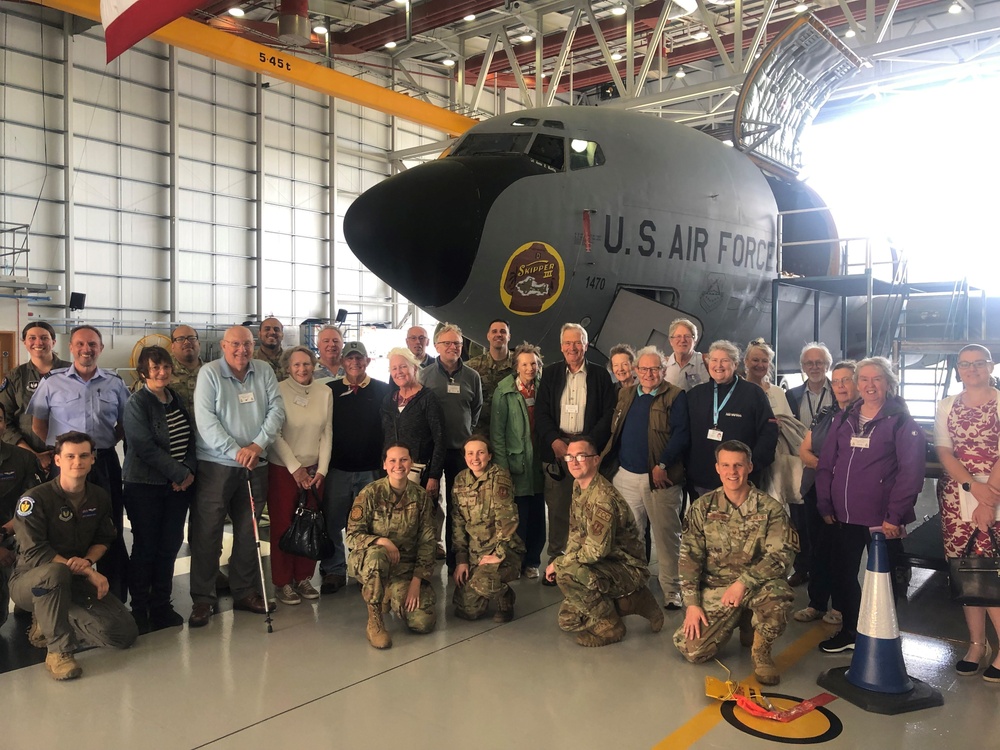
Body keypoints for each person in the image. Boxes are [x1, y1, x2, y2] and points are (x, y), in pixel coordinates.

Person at [815, 356, 926, 653]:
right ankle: (850, 629)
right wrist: (825, 503)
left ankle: (884, 634)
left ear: (888, 382)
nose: (869, 385)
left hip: (882, 519)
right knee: (843, 574)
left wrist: (895, 515)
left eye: (876, 378)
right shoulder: (844, 418)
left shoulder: (901, 422)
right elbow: (827, 462)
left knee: (886, 577)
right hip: (843, 515)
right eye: (863, 379)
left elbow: (911, 473)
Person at [10, 432, 138, 680]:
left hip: (74, 577)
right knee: (55, 573)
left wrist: (88, 561)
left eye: (83, 456)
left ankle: (48, 620)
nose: (76, 462)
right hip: (31, 581)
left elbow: (104, 539)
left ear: (93, 459)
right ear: (57, 460)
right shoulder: (34, 499)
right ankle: (58, 652)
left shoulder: (99, 497)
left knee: (123, 634)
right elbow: (37, 552)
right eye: (69, 456)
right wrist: (89, 571)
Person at [673, 440, 797, 685]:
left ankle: (760, 652)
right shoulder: (702, 508)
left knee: (779, 597)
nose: (732, 472)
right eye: (726, 465)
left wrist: (743, 583)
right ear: (717, 468)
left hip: (757, 586)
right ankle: (741, 618)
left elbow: (781, 558)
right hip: (717, 588)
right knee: (693, 650)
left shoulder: (771, 509)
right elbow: (689, 558)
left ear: (749, 467)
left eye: (738, 465)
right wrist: (691, 605)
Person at [188, 325, 285, 627]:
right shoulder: (210, 374)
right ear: (223, 345)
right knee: (208, 532)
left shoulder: (264, 370)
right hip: (217, 465)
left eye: (247, 344)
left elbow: (277, 410)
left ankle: (245, 591)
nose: (241, 350)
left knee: (249, 531)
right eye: (235, 344)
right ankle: (203, 598)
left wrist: (257, 446)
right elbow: (205, 420)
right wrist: (235, 451)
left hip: (257, 462)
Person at [27, 324, 131, 601]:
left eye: (92, 344)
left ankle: (115, 596)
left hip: (104, 461)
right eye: (81, 344)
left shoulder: (115, 383)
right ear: (71, 348)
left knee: (110, 527)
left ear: (101, 348)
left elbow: (124, 423)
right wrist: (60, 452)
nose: (87, 349)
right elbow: (38, 424)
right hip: (65, 465)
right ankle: (60, 596)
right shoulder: (52, 382)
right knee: (60, 527)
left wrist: (105, 445)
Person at [545, 438, 663, 647]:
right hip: (605, 563)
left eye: (581, 456)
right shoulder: (579, 486)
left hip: (626, 567)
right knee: (569, 620)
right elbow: (576, 533)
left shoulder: (602, 498)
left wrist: (561, 563)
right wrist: (564, 557)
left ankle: (611, 625)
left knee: (567, 573)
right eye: (569, 457)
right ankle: (632, 602)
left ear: (596, 460)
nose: (574, 462)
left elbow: (596, 551)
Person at [601, 346, 689, 609]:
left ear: (663, 370)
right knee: (632, 536)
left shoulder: (675, 396)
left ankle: (672, 590)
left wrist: (663, 463)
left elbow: (682, 434)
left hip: (660, 478)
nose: (649, 373)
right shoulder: (625, 394)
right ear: (636, 370)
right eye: (644, 369)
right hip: (626, 476)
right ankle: (634, 583)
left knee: (666, 536)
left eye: (655, 369)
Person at [934, 344, 1000, 680]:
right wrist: (972, 487)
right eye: (964, 364)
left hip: (997, 492)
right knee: (967, 570)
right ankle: (977, 644)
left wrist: (989, 498)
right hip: (958, 495)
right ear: (957, 369)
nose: (971, 369)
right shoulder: (947, 405)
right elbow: (945, 451)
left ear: (990, 366)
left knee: (993, 570)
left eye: (978, 363)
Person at [122, 346, 197, 633]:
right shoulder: (137, 403)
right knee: (145, 548)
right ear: (144, 373)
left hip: (177, 488)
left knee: (169, 547)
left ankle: (161, 604)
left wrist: (188, 471)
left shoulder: (174, 398)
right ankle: (139, 607)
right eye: (155, 368)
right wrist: (177, 472)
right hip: (145, 487)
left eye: (165, 366)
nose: (162, 372)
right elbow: (143, 446)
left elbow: (190, 437)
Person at [535, 323, 616, 582]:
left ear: (586, 345)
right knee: (558, 509)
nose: (573, 347)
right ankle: (556, 562)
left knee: (590, 509)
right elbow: (543, 413)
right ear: (561, 347)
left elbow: (608, 414)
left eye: (578, 342)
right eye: (568, 343)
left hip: (588, 453)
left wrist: (588, 445)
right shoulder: (550, 374)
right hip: (559, 453)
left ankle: (588, 562)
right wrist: (554, 442)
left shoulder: (601, 376)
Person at [346, 443, 437, 649]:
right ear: (385, 465)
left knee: (423, 623)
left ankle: (390, 592)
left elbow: (427, 541)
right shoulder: (369, 494)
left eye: (404, 459)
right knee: (378, 554)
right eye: (393, 460)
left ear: (411, 463)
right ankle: (375, 620)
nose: (399, 465)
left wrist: (417, 581)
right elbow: (352, 536)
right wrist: (381, 541)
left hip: (405, 567)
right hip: (371, 562)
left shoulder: (420, 497)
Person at [320, 341, 391, 594]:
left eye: (359, 358)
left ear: (367, 361)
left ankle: (363, 567)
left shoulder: (383, 389)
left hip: (370, 469)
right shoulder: (329, 391)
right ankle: (334, 570)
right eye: (349, 359)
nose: (354, 363)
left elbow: (388, 427)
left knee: (368, 524)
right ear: (342, 362)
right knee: (332, 522)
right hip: (338, 469)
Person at [794, 360, 857, 626]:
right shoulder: (825, 414)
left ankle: (842, 605)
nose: (841, 386)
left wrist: (830, 469)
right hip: (816, 491)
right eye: (837, 381)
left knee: (842, 553)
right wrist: (827, 467)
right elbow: (804, 450)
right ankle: (817, 602)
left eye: (847, 380)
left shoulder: (863, 416)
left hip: (846, 495)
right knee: (818, 549)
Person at [268, 346, 332, 606]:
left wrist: (322, 470)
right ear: (287, 367)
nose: (302, 369)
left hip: (315, 471)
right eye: (296, 365)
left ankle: (304, 576)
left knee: (310, 524)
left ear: (314, 364)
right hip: (284, 469)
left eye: (306, 364)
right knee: (283, 525)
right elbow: (274, 433)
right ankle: (283, 582)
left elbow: (327, 433)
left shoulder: (325, 392)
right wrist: (295, 467)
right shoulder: (278, 391)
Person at [417, 323, 483, 569]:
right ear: (436, 346)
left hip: (460, 452)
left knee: (459, 507)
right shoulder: (424, 375)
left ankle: (458, 562)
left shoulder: (472, 376)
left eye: (456, 343)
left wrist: (465, 432)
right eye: (447, 343)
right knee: (429, 506)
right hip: (432, 451)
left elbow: (475, 409)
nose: (452, 347)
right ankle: (426, 560)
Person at [686, 340, 778, 495]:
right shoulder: (695, 395)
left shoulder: (753, 394)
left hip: (742, 481)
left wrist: (752, 465)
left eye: (724, 360)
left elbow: (768, 434)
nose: (718, 365)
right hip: (702, 480)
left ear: (735, 364)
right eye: (714, 360)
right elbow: (683, 434)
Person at [451, 436, 524, 622]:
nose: (475, 458)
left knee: (484, 583)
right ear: (465, 456)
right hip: (475, 553)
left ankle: (505, 598)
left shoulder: (499, 478)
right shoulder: (460, 480)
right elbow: (458, 523)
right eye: (470, 453)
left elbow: (507, 520)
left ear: (489, 455)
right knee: (467, 611)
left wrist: (499, 555)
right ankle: (486, 584)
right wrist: (461, 560)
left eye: (481, 452)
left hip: (502, 551)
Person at [491, 343, 545, 579]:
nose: (529, 368)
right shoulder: (504, 392)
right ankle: (517, 561)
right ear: (516, 366)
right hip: (516, 464)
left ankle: (533, 560)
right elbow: (497, 434)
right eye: (524, 364)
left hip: (540, 463)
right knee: (518, 517)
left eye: (533, 363)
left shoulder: (545, 389)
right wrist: (503, 469)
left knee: (537, 515)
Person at [0, 321, 71, 471]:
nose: (38, 342)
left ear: (53, 341)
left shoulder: (72, 373)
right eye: (32, 338)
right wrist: (32, 455)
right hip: (25, 456)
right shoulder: (15, 376)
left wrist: (68, 451)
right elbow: (5, 420)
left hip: (69, 456)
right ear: (24, 342)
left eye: (44, 338)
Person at [381, 347, 445, 510]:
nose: (398, 372)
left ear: (414, 368)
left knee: (421, 520)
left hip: (420, 472)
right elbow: (384, 436)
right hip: (393, 471)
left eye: (403, 366)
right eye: (394, 368)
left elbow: (440, 438)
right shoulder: (389, 400)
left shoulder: (428, 399)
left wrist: (434, 476)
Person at [0, 405, 41, 629]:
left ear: (5, 424)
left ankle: (29, 599)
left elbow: (33, 506)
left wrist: (6, 531)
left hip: (13, 534)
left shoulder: (23, 458)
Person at [466, 319, 514, 437]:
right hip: (480, 432)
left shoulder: (520, 364)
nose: (498, 334)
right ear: (488, 336)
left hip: (511, 430)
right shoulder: (472, 366)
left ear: (509, 336)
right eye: (494, 331)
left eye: (503, 332)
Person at [786, 342, 835, 427]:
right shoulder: (791, 396)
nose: (814, 367)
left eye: (819, 362)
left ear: (827, 366)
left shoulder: (838, 393)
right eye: (809, 363)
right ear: (803, 368)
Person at [664, 318, 709, 392]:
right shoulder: (662, 365)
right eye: (678, 336)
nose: (683, 340)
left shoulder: (707, 362)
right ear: (671, 341)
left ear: (695, 340)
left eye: (687, 336)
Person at [169, 324, 203, 416]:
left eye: (192, 338)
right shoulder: (163, 373)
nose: (187, 342)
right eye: (180, 339)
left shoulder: (210, 373)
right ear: (172, 346)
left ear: (199, 343)